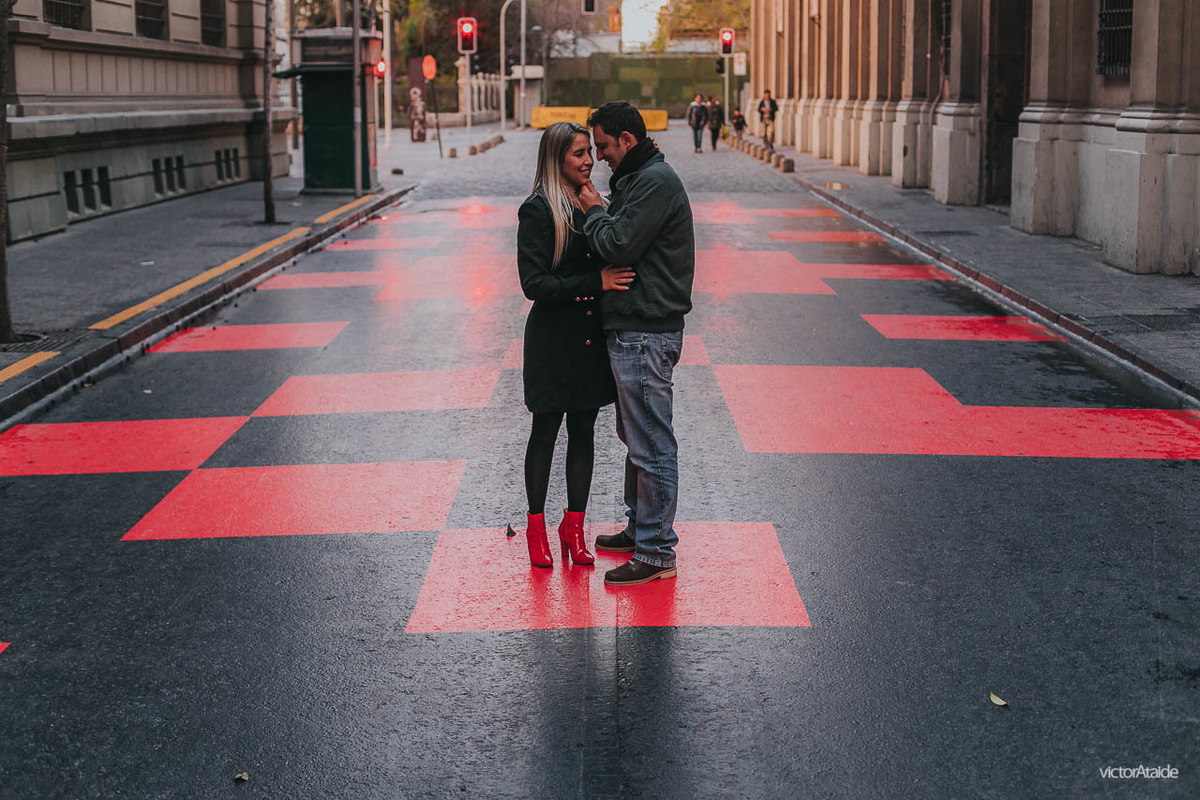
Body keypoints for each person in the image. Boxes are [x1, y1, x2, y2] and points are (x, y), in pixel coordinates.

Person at [577, 101, 695, 587]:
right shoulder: (641, 179)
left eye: (603, 145)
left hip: (646, 330)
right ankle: (639, 529)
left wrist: (593, 212)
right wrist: (605, 211)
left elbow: (618, 244)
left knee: (651, 443)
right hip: (637, 327)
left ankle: (656, 552)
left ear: (627, 140)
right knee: (636, 438)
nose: (598, 156)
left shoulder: (653, 183)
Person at [516, 121, 635, 568]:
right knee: (545, 432)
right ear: (556, 160)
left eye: (589, 152)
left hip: (588, 339)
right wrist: (595, 283)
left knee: (584, 432)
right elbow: (534, 283)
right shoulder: (537, 210)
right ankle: (536, 529)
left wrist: (597, 211)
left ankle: (574, 526)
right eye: (578, 154)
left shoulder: (590, 202)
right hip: (552, 339)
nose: (588, 161)